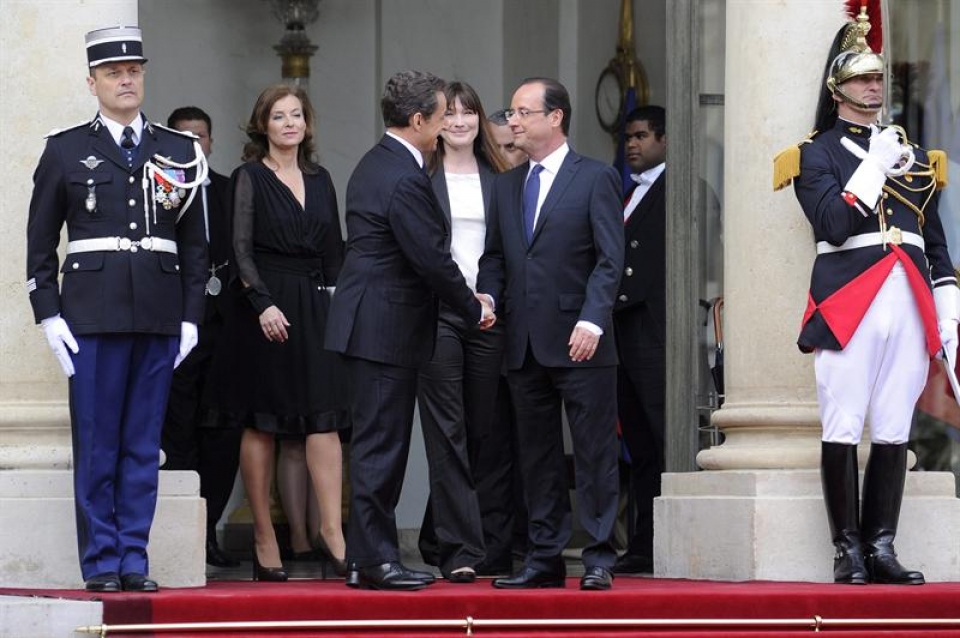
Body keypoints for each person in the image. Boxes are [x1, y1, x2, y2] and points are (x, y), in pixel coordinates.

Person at [775, 5, 955, 585]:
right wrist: (873, 168)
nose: (873, 87)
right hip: (850, 300)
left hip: (909, 298)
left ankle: (881, 545)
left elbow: (933, 241)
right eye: (860, 79)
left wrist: (949, 308)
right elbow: (832, 225)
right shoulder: (814, 154)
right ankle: (847, 549)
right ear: (837, 89)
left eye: (878, 78)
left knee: (895, 424)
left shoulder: (915, 156)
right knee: (843, 422)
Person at [26, 26, 208, 593]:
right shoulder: (64, 149)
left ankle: (135, 557)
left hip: (157, 313)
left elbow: (196, 245)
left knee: (142, 444)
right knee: (98, 443)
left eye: (133, 70)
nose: (126, 80)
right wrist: (49, 314)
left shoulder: (179, 150)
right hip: (92, 316)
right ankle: (102, 561)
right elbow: (40, 244)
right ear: (93, 83)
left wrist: (191, 316)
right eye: (113, 73)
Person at [325, 70, 495, 591]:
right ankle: (377, 560)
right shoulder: (403, 176)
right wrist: (473, 308)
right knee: (382, 448)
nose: (446, 126)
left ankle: (364, 558)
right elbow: (431, 260)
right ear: (419, 120)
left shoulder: (377, 161)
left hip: (374, 324)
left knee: (376, 445)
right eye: (442, 117)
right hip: (385, 327)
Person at [477, 77, 624, 591]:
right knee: (537, 456)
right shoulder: (506, 185)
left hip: (582, 338)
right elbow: (495, 257)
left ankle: (600, 557)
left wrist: (592, 319)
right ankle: (544, 557)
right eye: (511, 112)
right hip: (523, 341)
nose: (512, 121)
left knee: (594, 452)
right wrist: (488, 297)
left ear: (555, 117)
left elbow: (610, 258)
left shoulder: (596, 177)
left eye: (523, 112)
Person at [204, 84, 347, 582]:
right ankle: (265, 536)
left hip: (315, 304)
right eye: (279, 116)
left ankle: (333, 532)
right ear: (262, 124)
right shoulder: (249, 177)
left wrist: (340, 308)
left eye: (297, 115)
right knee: (262, 421)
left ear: (307, 123)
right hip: (263, 305)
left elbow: (334, 251)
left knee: (324, 417)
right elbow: (239, 249)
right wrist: (262, 303)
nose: (290, 124)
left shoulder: (322, 179)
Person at [415, 81, 509, 583]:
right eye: (448, 113)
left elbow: (503, 251)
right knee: (447, 429)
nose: (458, 121)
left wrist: (487, 298)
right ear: (434, 121)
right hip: (437, 313)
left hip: (488, 315)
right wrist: (461, 300)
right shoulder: (420, 176)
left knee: (478, 431)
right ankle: (460, 551)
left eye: (467, 112)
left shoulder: (501, 179)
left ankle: (437, 532)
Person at [160, 106, 241, 570]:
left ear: (211, 142)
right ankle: (178, 532)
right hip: (176, 325)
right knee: (178, 426)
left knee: (224, 431)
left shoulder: (232, 190)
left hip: (227, 327)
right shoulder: (159, 192)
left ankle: (208, 529)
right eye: (184, 136)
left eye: (201, 136)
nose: (194, 144)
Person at [612, 105, 667, 576]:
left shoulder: (683, 189)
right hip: (623, 333)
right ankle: (643, 543)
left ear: (665, 140)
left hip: (657, 333)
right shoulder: (626, 191)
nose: (632, 144)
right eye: (628, 136)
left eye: (642, 136)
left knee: (663, 439)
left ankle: (666, 540)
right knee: (640, 446)